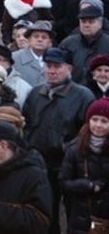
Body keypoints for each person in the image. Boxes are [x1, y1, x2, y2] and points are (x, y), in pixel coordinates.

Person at [23, 47, 95, 234]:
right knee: (46, 211)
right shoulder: (35, 93)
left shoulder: (83, 95)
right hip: (40, 162)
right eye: (48, 66)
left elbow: (87, 131)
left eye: (57, 66)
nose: (52, 70)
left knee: (74, 213)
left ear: (69, 68)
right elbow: (26, 124)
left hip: (70, 164)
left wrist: (66, 148)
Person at [60, 97, 109, 234]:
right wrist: (89, 186)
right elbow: (64, 181)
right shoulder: (75, 149)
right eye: (94, 120)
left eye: (104, 121)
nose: (98, 125)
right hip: (81, 216)